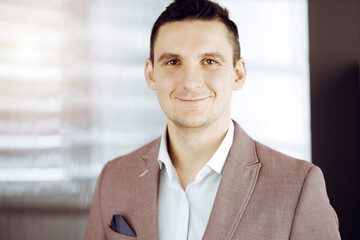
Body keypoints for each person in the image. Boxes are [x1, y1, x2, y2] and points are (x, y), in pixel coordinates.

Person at [85, 0, 341, 239]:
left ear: (238, 74)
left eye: (209, 61)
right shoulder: (114, 178)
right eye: (173, 61)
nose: (191, 82)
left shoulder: (297, 186)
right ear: (151, 75)